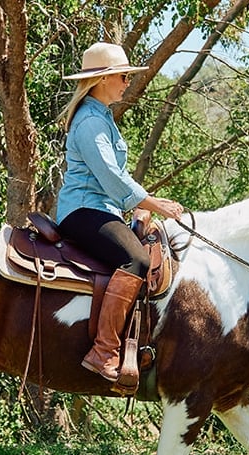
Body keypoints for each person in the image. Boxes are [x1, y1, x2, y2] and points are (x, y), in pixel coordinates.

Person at [56, 42, 185, 382]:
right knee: (137, 260)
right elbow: (112, 177)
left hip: (101, 209)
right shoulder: (90, 122)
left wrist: (144, 205)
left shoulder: (100, 117)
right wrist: (154, 204)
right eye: (123, 76)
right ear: (103, 79)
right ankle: (104, 350)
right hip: (85, 210)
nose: (128, 82)